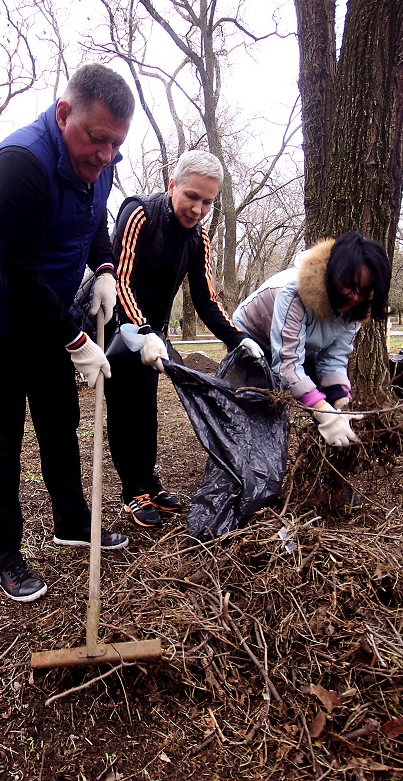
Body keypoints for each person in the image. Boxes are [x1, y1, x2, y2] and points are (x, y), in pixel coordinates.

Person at [0, 63, 134, 602]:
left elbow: (95, 220)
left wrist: (104, 268)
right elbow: (18, 277)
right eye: (98, 140)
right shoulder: (19, 167)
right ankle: (5, 554)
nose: (105, 156)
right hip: (0, 317)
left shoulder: (99, 163)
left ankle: (72, 522)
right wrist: (78, 341)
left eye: (116, 145)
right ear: (64, 115)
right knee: (2, 438)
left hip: (50, 311)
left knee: (61, 421)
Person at [105, 150, 260, 527]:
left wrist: (238, 339)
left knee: (147, 408)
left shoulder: (198, 239)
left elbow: (206, 298)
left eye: (207, 201)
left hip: (151, 332)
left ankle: (150, 483)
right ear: (172, 186)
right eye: (191, 196)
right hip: (115, 324)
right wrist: (141, 330)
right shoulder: (139, 213)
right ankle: (133, 491)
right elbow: (121, 279)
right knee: (125, 407)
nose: (197, 208)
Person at [233, 232, 392, 447]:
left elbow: (333, 360)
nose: (354, 297)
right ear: (334, 273)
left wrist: (340, 402)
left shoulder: (355, 309)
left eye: (363, 291)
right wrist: (323, 413)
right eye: (349, 285)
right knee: (259, 404)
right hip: (253, 335)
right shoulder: (293, 293)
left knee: (317, 395)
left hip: (300, 342)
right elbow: (287, 367)